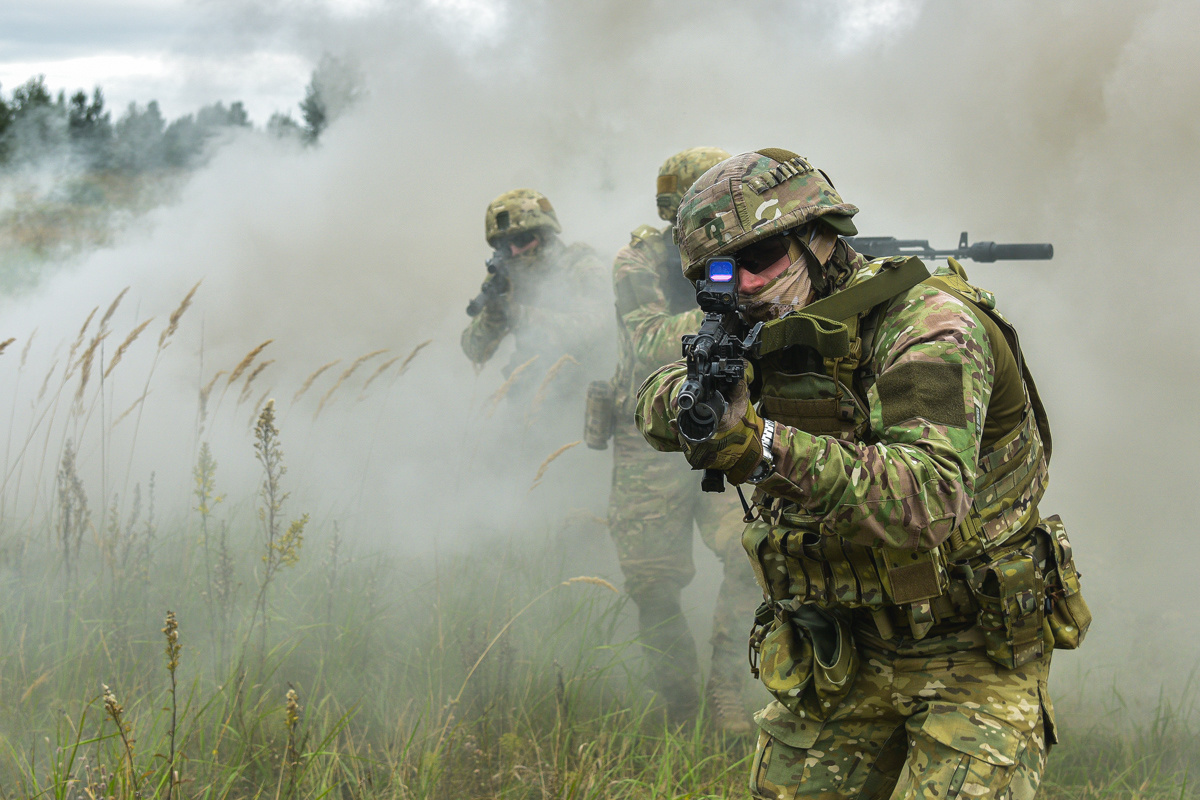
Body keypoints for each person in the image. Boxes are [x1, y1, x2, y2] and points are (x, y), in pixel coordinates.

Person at [636, 149, 1091, 798]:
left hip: (972, 646)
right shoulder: (756, 322)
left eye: (760, 260)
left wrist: (761, 444)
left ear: (820, 238)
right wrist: (692, 410)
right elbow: (656, 394)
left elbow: (925, 502)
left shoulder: (929, 323)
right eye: (718, 271)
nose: (741, 286)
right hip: (836, 646)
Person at [605, 147, 761, 732]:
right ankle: (676, 702)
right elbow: (647, 340)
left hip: (723, 421)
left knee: (750, 553)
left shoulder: (743, 254)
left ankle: (727, 688)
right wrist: (732, 309)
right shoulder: (637, 260)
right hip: (648, 436)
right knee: (653, 578)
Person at [461, 188, 607, 394]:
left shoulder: (582, 267)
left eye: (521, 240)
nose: (514, 251)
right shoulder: (507, 277)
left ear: (545, 235)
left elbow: (595, 328)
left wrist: (520, 314)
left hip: (583, 390)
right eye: (505, 245)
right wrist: (492, 318)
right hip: (531, 394)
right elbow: (474, 351)